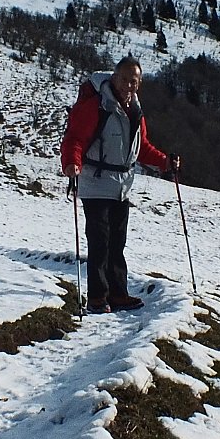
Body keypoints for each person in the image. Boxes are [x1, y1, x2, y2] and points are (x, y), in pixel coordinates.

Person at [60, 56, 181, 313]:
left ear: (140, 83)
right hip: (95, 182)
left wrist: (164, 162)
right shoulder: (96, 106)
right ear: (114, 77)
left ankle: (118, 294)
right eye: (124, 79)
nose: (129, 85)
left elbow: (141, 148)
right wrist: (71, 163)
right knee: (99, 240)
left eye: (134, 81)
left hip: (121, 186)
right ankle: (97, 297)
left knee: (117, 242)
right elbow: (75, 139)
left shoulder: (135, 109)